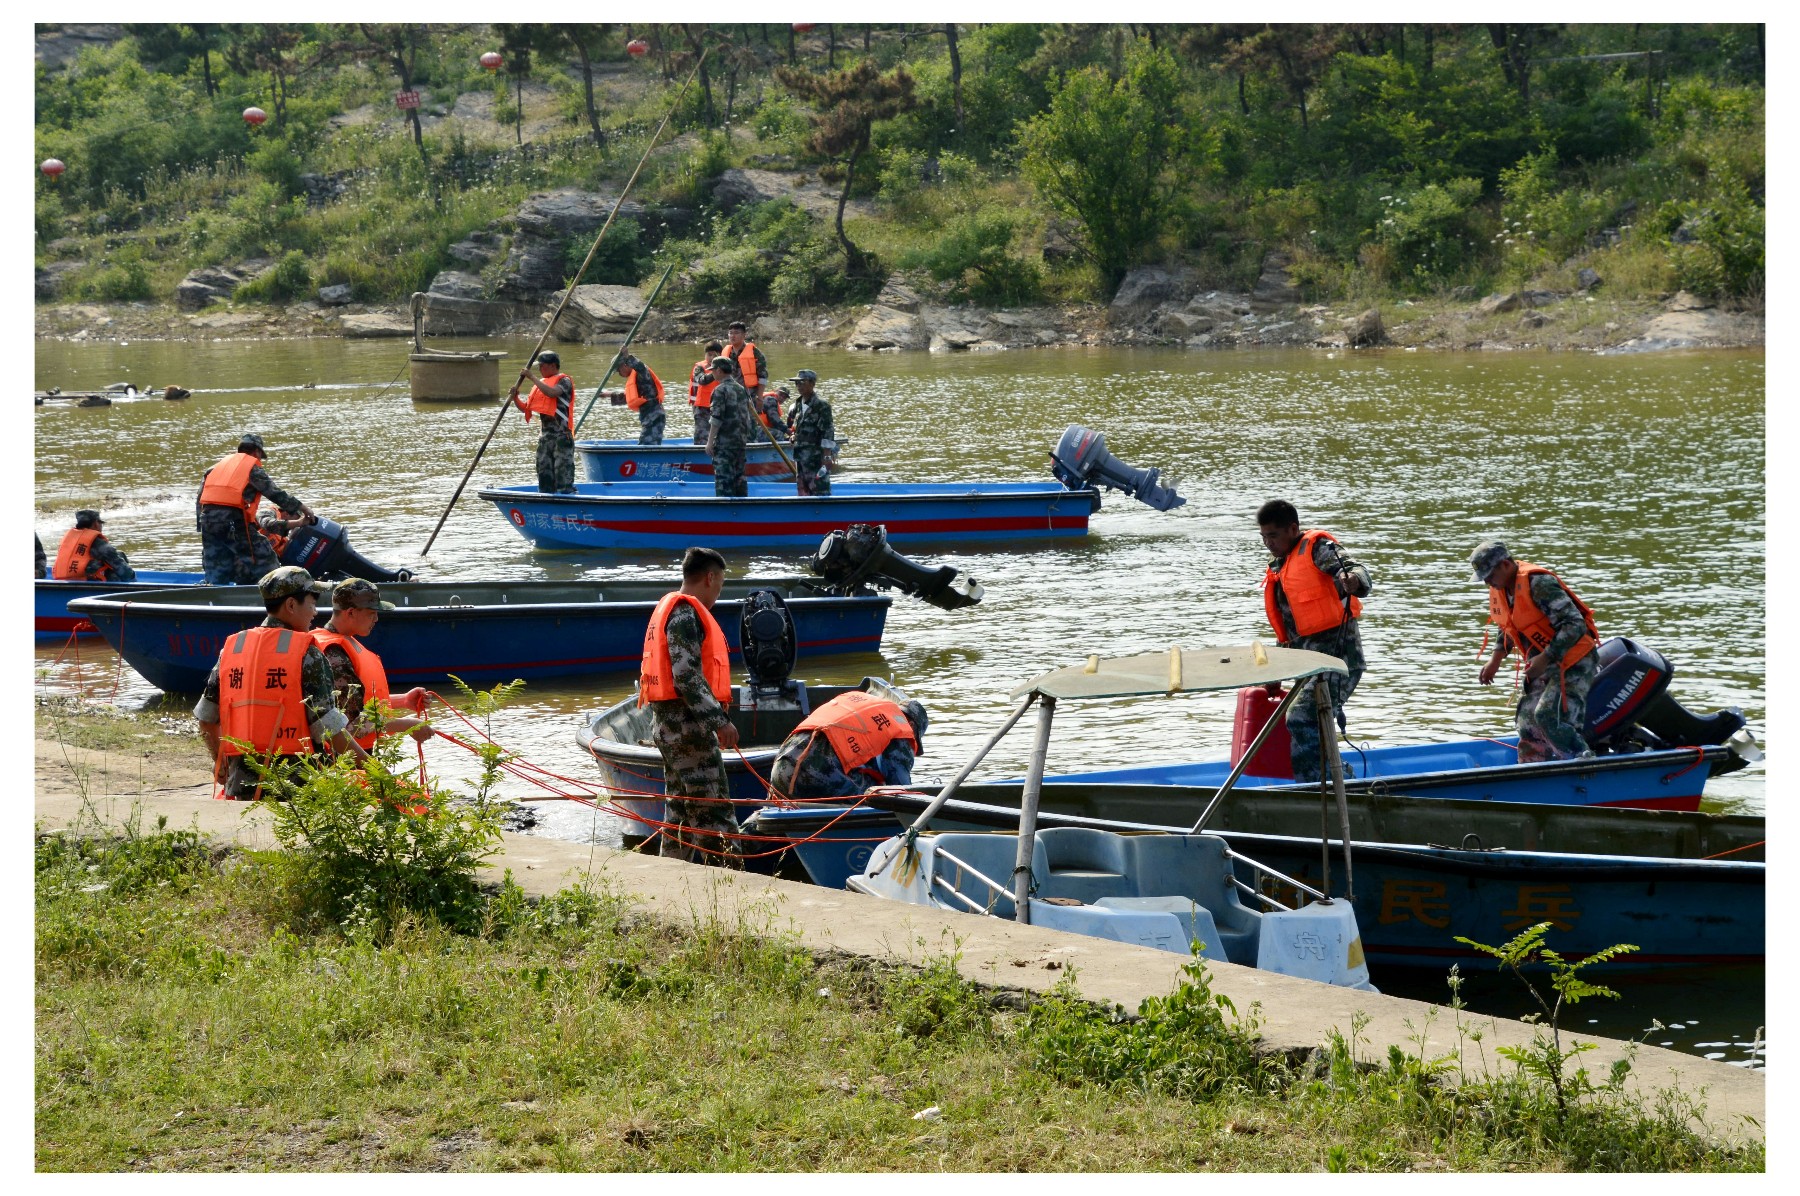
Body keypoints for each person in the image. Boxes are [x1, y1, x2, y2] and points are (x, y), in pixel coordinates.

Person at [193, 566, 367, 800]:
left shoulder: (233, 650)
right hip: (297, 792)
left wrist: (220, 763)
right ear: (291, 605)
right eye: (312, 603)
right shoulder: (307, 654)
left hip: (241, 790)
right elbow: (330, 730)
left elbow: (206, 718)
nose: (315, 612)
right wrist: (375, 770)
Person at [639, 546, 742, 866]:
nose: (718, 594)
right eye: (720, 585)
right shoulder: (686, 613)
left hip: (668, 726)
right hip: (688, 729)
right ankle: (730, 883)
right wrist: (719, 721)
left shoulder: (669, 608)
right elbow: (686, 676)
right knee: (713, 812)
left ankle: (670, 876)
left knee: (680, 810)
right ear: (710, 578)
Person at [1257, 499, 1372, 783]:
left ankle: (1331, 786)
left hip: (1339, 661)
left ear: (1292, 529)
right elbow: (1289, 628)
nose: (1268, 543)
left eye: (1273, 536)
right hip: (1309, 665)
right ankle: (1320, 784)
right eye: (1264, 537)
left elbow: (1354, 568)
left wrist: (1353, 580)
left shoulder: (1317, 549)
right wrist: (1276, 673)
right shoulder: (1280, 567)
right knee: (1298, 719)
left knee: (1301, 717)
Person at [1472, 540, 1602, 763]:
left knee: (1548, 715)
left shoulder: (1538, 583)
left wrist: (1546, 657)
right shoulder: (1502, 588)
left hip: (1574, 660)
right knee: (1527, 721)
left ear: (1505, 565)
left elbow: (1575, 624)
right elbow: (1509, 625)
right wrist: (1495, 660)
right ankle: (1533, 767)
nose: (1487, 582)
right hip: (1543, 661)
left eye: (1489, 575)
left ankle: (1583, 761)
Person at [312, 578, 435, 752]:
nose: (376, 619)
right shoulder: (334, 653)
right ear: (351, 613)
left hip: (358, 754)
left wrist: (404, 700)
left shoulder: (344, 642)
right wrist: (407, 725)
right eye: (371, 613)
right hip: (343, 759)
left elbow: (355, 702)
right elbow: (351, 725)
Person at [196, 433, 314, 585]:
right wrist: (304, 509)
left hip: (207, 520)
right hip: (233, 521)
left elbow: (200, 498)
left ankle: (214, 591)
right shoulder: (251, 468)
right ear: (257, 451)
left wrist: (201, 525)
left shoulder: (215, 468)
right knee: (265, 557)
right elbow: (276, 494)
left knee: (216, 564)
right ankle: (278, 590)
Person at [769, 692, 926, 801]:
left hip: (781, 765)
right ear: (912, 725)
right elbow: (901, 789)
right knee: (878, 795)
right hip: (815, 774)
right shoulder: (901, 729)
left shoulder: (868, 705)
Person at [510, 350, 576, 494]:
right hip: (545, 437)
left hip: (561, 436)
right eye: (539, 367)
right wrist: (515, 398)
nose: (540, 369)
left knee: (563, 477)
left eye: (542, 366)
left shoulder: (564, 381)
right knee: (544, 476)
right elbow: (525, 408)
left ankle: (567, 498)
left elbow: (552, 393)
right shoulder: (540, 385)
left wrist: (532, 377)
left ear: (553, 366)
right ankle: (546, 498)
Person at [703, 356, 751, 498]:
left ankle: (725, 508)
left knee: (724, 481)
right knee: (739, 479)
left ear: (719, 370)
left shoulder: (720, 390)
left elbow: (716, 418)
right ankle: (742, 507)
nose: (712, 373)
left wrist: (709, 442)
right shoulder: (741, 389)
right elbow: (748, 416)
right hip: (740, 442)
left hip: (725, 444)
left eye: (713, 370)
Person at [786, 370, 836, 496]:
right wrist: (793, 436)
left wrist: (827, 457)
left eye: (802, 382)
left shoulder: (821, 406)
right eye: (797, 383)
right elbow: (795, 426)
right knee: (802, 491)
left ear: (812, 384)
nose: (799, 386)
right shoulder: (796, 405)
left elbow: (828, 432)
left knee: (819, 489)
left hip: (816, 457)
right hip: (800, 456)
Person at [52, 509, 136, 582]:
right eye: (101, 523)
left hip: (61, 579)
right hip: (88, 582)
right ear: (96, 523)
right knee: (120, 557)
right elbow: (122, 568)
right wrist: (133, 581)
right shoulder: (98, 543)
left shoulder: (69, 538)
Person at [614, 351, 665, 446]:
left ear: (625, 365)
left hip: (654, 417)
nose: (619, 374)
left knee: (647, 445)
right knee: (646, 443)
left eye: (618, 370)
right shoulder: (634, 379)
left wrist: (627, 357)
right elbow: (629, 398)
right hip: (648, 417)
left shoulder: (641, 373)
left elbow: (641, 367)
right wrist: (607, 395)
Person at [688, 340, 724, 445]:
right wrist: (715, 371)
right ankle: (699, 451)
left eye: (715, 355)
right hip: (701, 408)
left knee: (721, 433)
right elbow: (702, 380)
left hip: (718, 406)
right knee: (702, 435)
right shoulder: (699, 367)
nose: (711, 358)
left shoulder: (725, 368)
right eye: (709, 355)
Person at [725, 321, 767, 393]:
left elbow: (763, 377)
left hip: (749, 394)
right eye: (730, 333)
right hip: (729, 394)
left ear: (744, 335)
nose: (732, 336)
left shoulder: (755, 353)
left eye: (736, 333)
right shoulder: (725, 353)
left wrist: (759, 396)